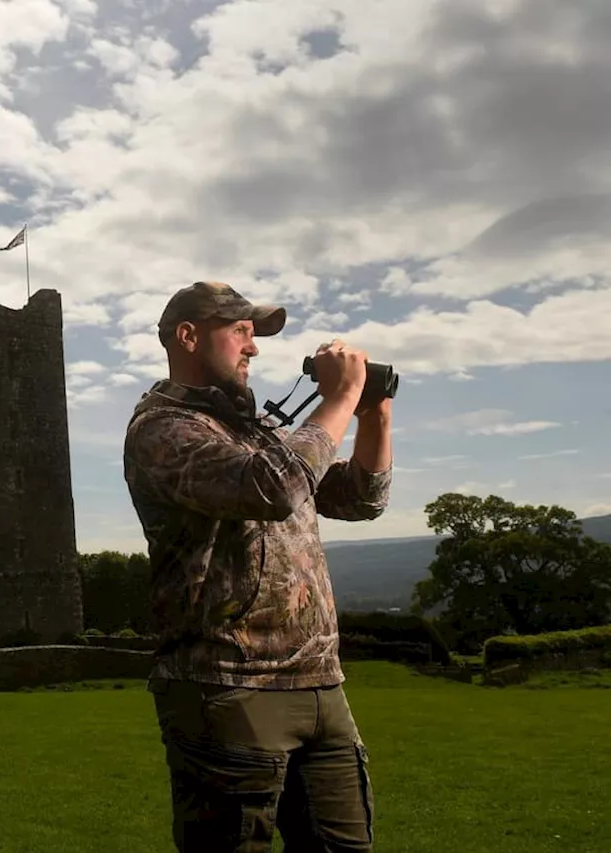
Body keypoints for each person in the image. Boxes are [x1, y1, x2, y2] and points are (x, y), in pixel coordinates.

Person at [123, 281, 392, 852]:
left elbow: (358, 498)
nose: (254, 348)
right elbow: (272, 488)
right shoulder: (162, 429)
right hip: (226, 688)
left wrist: (374, 415)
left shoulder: (257, 430)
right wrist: (337, 400)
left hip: (321, 684)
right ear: (188, 337)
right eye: (241, 331)